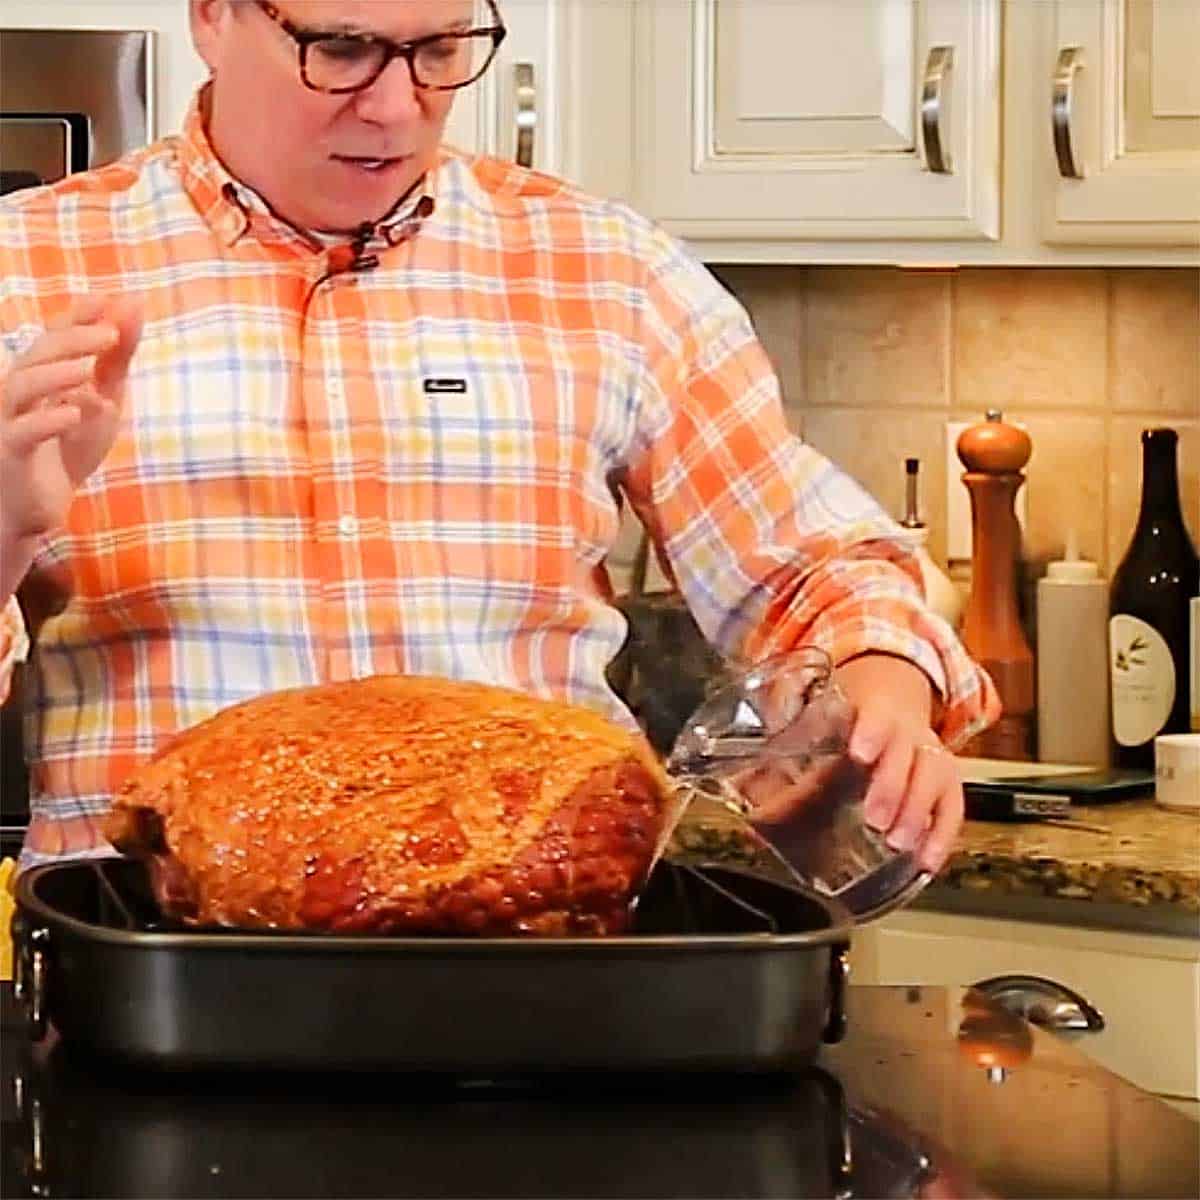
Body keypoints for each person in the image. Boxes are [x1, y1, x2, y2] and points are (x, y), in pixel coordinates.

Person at [0, 0, 998, 873]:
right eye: (341, 49)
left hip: (536, 952)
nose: (396, 107)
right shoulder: (29, 270)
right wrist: (6, 526)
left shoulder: (607, 271)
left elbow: (809, 568)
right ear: (213, 15)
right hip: (155, 968)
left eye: (440, 49)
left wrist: (884, 691)